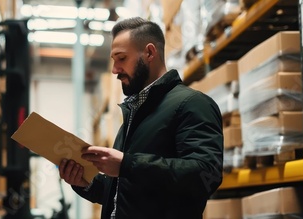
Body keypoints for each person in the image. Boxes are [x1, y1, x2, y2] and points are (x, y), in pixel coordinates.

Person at [58, 17, 223, 219]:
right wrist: (85, 183)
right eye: (113, 60)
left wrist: (126, 165)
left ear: (150, 53)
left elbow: (206, 175)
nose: (114, 70)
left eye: (121, 58)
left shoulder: (192, 104)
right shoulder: (135, 114)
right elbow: (128, 193)